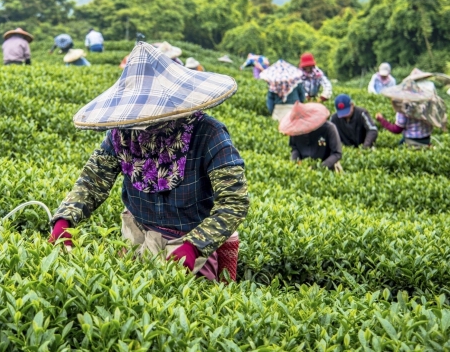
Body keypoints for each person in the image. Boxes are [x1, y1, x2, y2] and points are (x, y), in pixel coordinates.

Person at [49, 42, 249, 281]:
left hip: (190, 242)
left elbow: (234, 201)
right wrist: (66, 218)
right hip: (136, 236)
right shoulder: (121, 133)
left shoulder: (209, 134)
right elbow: (93, 181)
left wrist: (195, 245)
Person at [375, 77, 446, 148]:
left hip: (412, 143)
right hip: (426, 140)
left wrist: (381, 120)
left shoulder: (403, 109)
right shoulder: (425, 105)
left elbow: (397, 130)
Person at [279, 102, 343, 171]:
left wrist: (320, 167)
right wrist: (296, 162)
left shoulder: (329, 128)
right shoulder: (295, 130)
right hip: (304, 168)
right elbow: (294, 148)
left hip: (327, 168)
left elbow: (337, 153)